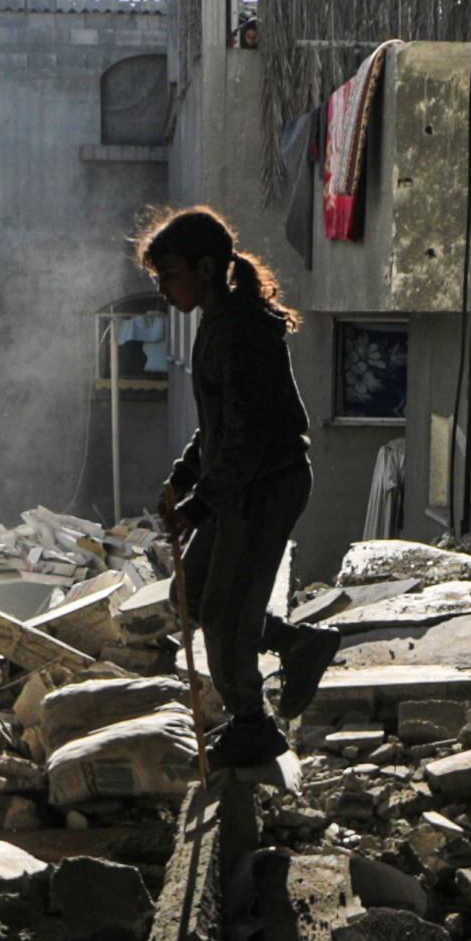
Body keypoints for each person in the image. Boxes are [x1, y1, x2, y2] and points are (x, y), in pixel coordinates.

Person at [136, 205, 337, 774]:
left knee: (224, 616)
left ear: (204, 267)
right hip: (238, 483)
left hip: (266, 486)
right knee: (191, 595)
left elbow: (246, 440)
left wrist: (200, 505)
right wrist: (183, 474)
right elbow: (219, 425)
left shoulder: (244, 329)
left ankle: (253, 725)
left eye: (169, 274)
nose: (163, 287)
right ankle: (296, 643)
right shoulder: (216, 322)